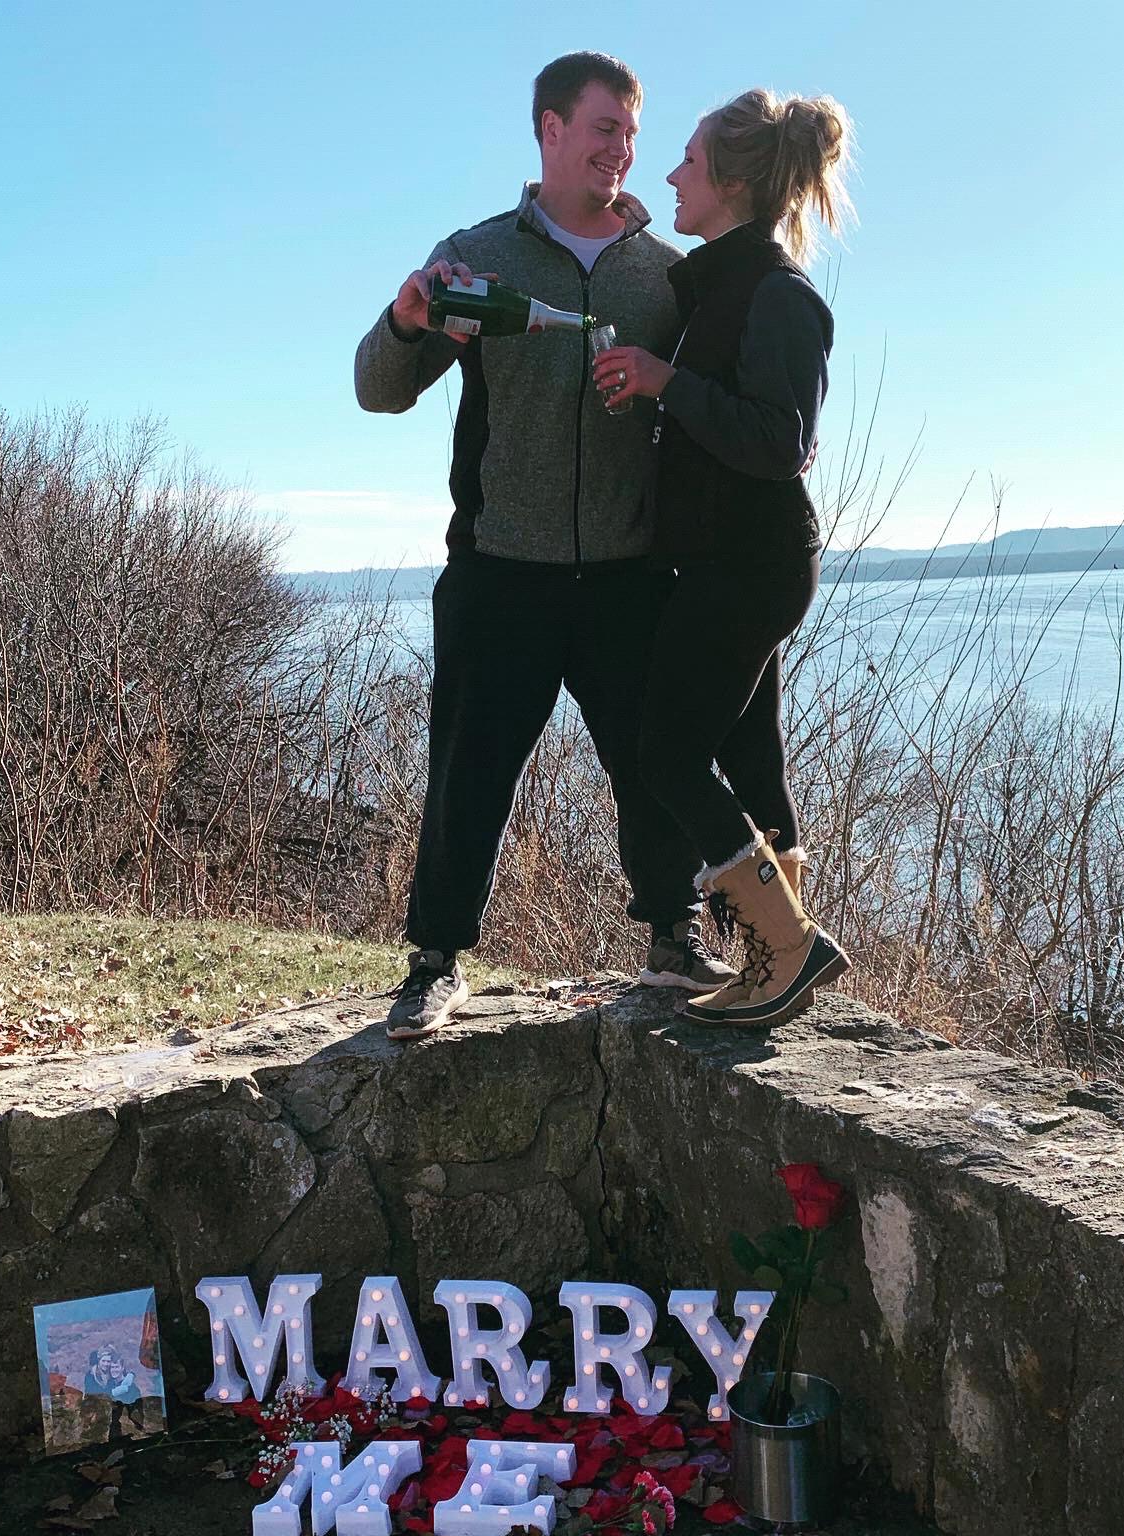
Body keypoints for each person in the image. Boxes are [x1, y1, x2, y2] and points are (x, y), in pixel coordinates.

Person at [355, 51, 734, 1041]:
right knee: (467, 774)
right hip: (499, 570)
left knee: (654, 767)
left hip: (628, 574)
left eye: (633, 134)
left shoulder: (664, 273)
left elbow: (709, 403)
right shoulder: (476, 256)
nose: (623, 150)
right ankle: (434, 963)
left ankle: (673, 939)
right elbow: (377, 390)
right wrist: (406, 321)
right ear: (550, 129)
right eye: (606, 128)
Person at [591, 89, 854, 1027]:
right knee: (750, 757)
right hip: (724, 559)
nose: (669, 174)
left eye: (689, 161)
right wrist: (632, 237)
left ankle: (786, 944)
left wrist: (666, 382)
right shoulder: (725, 286)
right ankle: (773, 963)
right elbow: (717, 381)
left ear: (733, 183)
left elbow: (780, 442)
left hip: (751, 563)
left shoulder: (782, 296)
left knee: (665, 754)